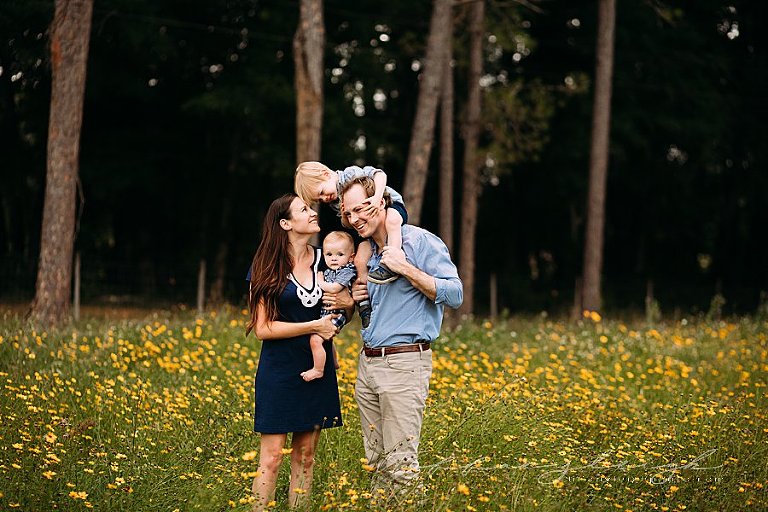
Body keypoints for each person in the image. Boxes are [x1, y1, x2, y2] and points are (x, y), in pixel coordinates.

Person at [341, 176, 463, 496]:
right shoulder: (366, 253)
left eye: (360, 209)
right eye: (348, 213)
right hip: (367, 365)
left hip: (404, 363)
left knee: (401, 466)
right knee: (377, 463)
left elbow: (455, 294)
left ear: (381, 202)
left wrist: (406, 268)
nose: (354, 219)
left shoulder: (419, 242)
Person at [246, 194, 351, 511]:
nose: (312, 212)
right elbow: (263, 328)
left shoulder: (327, 260)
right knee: (272, 458)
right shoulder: (265, 266)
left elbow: (346, 304)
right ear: (286, 223)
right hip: (279, 370)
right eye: (304, 209)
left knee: (305, 457)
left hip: (317, 370)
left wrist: (344, 309)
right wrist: (313, 327)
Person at [294, 162, 409, 327]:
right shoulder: (336, 201)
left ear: (325, 173)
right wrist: (345, 213)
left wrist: (377, 197)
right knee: (360, 258)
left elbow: (380, 174)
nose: (324, 199)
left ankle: (392, 261)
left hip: (390, 206)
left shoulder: (349, 175)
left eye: (322, 192)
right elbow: (349, 224)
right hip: (371, 227)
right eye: (319, 200)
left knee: (392, 221)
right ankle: (365, 304)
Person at [301, 231, 357, 382]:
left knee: (315, 339)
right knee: (327, 337)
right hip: (328, 311)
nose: (333, 258)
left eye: (340, 254)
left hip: (338, 313)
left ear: (351, 257)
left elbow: (334, 289)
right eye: (329, 254)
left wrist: (320, 281)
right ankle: (334, 362)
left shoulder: (347, 270)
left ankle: (318, 369)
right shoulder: (330, 270)